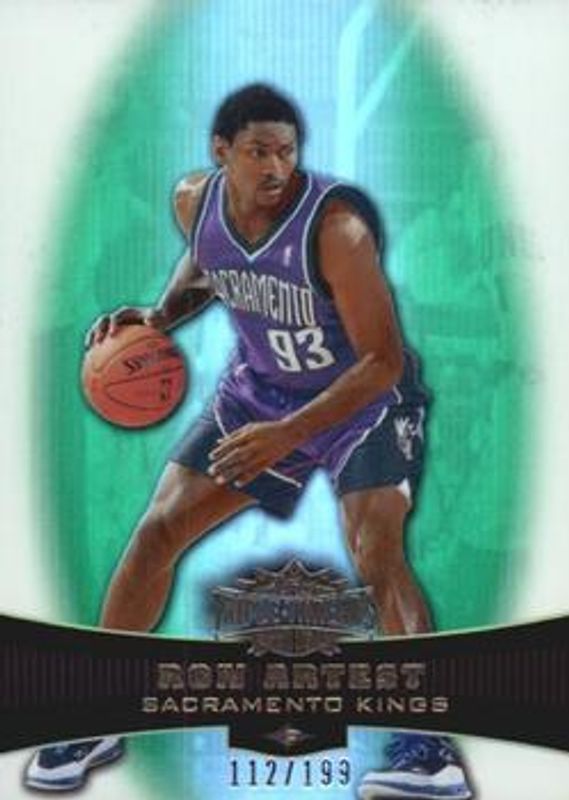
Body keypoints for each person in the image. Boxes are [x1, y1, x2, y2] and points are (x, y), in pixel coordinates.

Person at [25, 84, 473, 799]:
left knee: (374, 548)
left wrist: (286, 436)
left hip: (363, 402)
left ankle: (429, 747)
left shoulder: (337, 229)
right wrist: (161, 314)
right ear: (221, 152)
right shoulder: (192, 201)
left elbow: (382, 361)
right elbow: (207, 263)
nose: (275, 167)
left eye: (287, 152)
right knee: (158, 530)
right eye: (259, 151)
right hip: (259, 392)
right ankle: (99, 711)